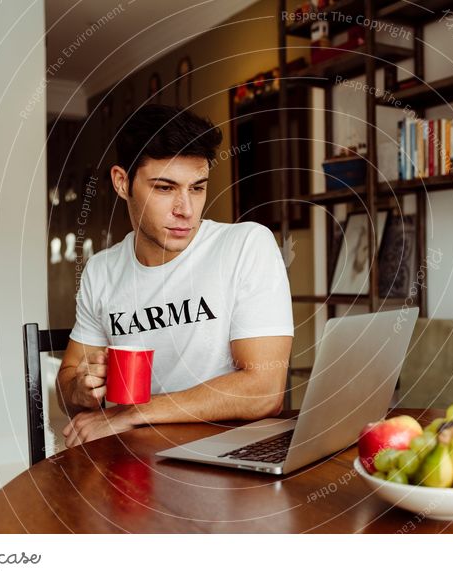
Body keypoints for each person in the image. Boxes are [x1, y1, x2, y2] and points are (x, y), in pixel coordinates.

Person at [58, 104, 294, 449]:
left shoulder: (244, 245)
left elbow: (264, 391)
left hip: (227, 454)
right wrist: (81, 389)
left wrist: (133, 413)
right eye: (165, 188)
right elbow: (68, 385)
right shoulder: (102, 271)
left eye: (197, 188)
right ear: (122, 183)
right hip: (134, 460)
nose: (186, 210)